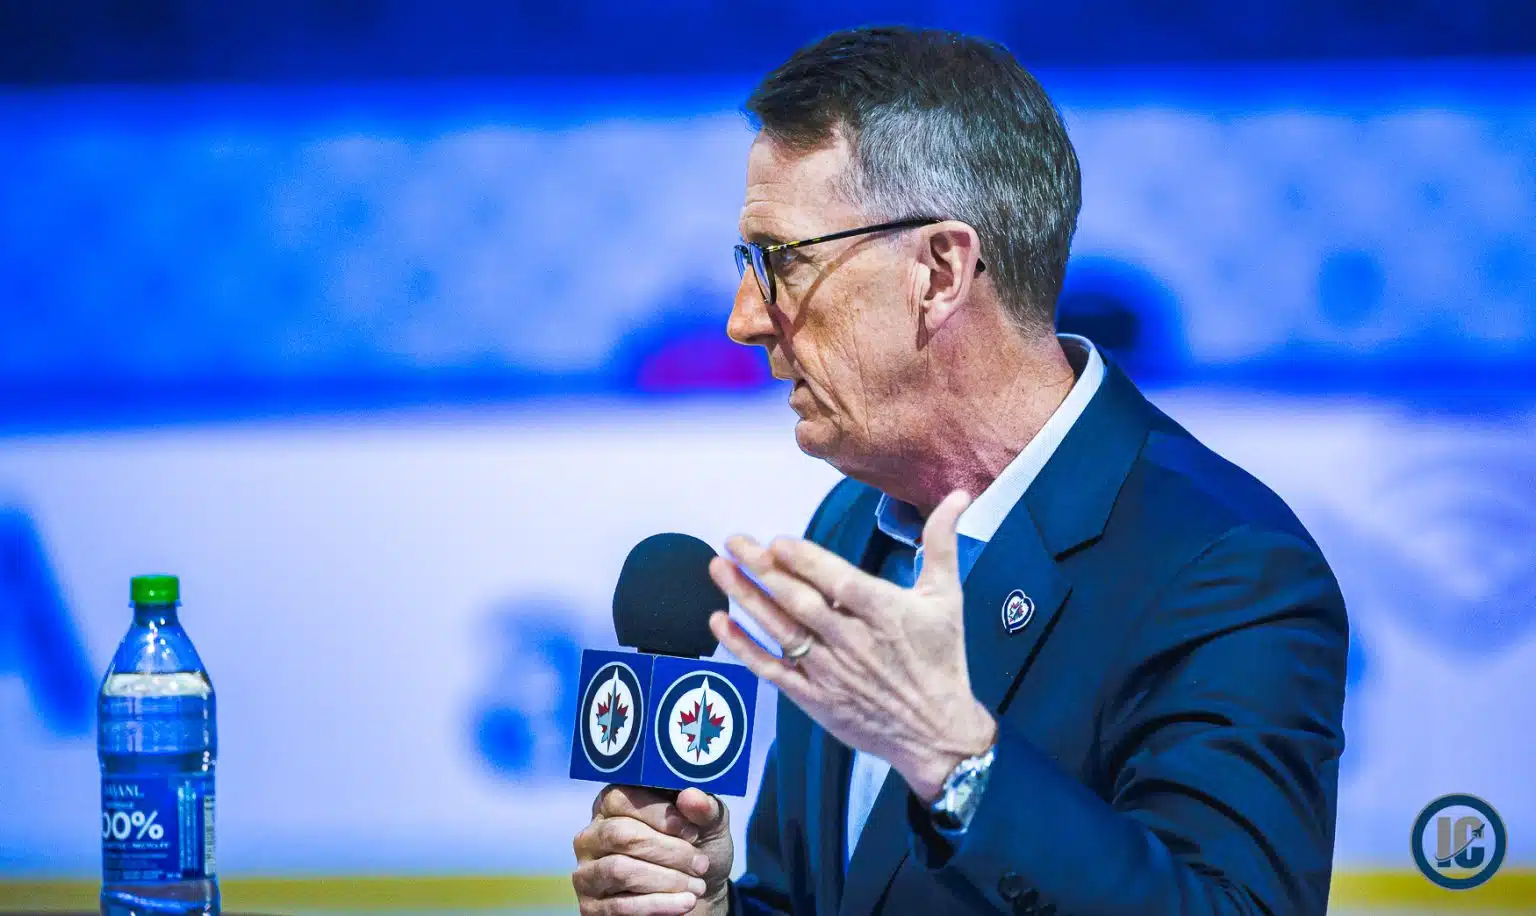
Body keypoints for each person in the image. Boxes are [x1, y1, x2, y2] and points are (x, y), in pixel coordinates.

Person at [571, 26, 1347, 916]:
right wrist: (712, 907)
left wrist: (958, 763)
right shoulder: (851, 525)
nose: (744, 320)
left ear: (940, 272)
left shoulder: (1226, 566)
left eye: (782, 261)